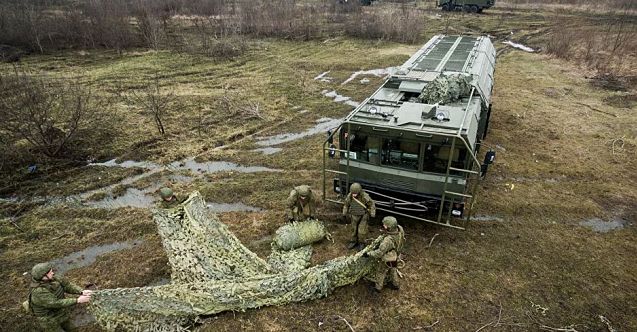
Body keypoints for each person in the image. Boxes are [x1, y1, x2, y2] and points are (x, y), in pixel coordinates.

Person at [27, 263, 92, 331]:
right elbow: (55, 303)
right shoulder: (38, 291)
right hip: (49, 318)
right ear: (43, 276)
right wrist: (77, 300)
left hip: (60, 312)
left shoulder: (54, 278)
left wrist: (81, 291)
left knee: (72, 329)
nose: (52, 273)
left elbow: (67, 286)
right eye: (50, 272)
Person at [363, 216, 405, 292]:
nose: (383, 226)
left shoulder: (387, 240)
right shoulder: (400, 230)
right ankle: (395, 284)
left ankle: (378, 288)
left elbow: (379, 253)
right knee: (393, 269)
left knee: (381, 271)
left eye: (385, 225)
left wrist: (368, 254)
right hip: (395, 255)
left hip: (388, 258)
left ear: (390, 227)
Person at [342, 182, 376, 249]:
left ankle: (361, 243)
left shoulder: (364, 196)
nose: (354, 195)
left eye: (355, 194)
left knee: (361, 231)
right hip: (353, 215)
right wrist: (344, 213)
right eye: (353, 193)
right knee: (353, 230)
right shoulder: (350, 196)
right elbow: (346, 205)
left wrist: (372, 213)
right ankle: (353, 241)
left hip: (363, 216)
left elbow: (372, 204)